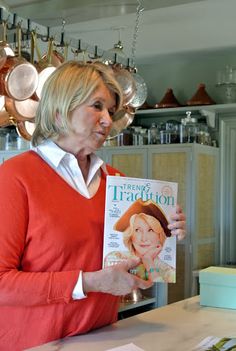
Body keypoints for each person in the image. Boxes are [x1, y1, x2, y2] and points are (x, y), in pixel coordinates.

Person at [0, 60, 186, 351]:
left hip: (103, 340)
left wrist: (163, 238)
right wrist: (89, 283)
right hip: (33, 344)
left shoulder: (118, 182)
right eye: (97, 106)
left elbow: (133, 272)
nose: (108, 120)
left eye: (111, 111)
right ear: (61, 109)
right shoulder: (15, 177)